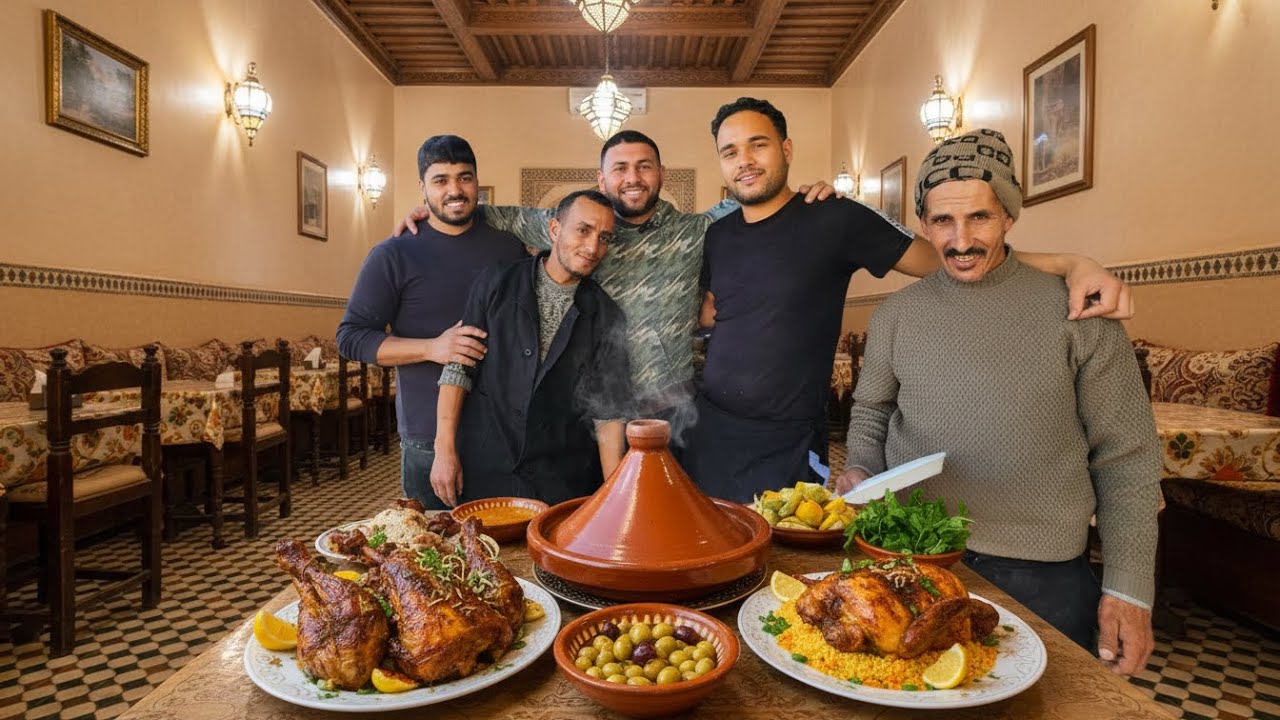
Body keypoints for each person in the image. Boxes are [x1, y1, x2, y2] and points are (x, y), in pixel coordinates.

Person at [689, 97, 1133, 503]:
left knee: (773, 559)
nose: (743, 161)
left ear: (786, 150)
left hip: (785, 435)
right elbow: (714, 311)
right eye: (730, 152)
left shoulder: (832, 217)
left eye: (757, 145)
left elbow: (948, 257)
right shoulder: (717, 236)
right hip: (713, 425)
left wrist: (1071, 263)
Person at [833, 128, 1159, 675]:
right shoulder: (896, 315)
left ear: (1009, 216)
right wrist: (862, 467)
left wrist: (1130, 587)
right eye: (943, 221)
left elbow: (1127, 457)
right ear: (922, 225)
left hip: (1043, 571)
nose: (961, 240)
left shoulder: (1079, 310)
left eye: (979, 218)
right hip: (914, 560)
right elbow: (871, 412)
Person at [398, 131, 838, 452]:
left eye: (644, 166)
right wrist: (435, 208)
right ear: (602, 177)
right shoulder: (574, 225)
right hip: (588, 415)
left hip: (672, 414)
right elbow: (498, 214)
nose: (633, 177)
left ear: (661, 174)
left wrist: (806, 195)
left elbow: (759, 198)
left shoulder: (698, 229)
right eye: (620, 168)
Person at [337, 135, 526, 507]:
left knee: (504, 554)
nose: (455, 190)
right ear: (422, 188)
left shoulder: (509, 245)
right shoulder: (394, 253)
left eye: (465, 177)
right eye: (441, 180)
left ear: (476, 182)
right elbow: (351, 338)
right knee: (432, 553)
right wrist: (432, 348)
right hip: (427, 437)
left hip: (504, 431)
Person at [430, 190, 631, 508]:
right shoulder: (497, 282)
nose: (594, 247)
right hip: (484, 469)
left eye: (604, 237)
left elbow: (608, 413)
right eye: (583, 230)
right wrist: (444, 450)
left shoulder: (607, 314)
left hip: (560, 481)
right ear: (554, 230)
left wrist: (614, 494)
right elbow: (459, 368)